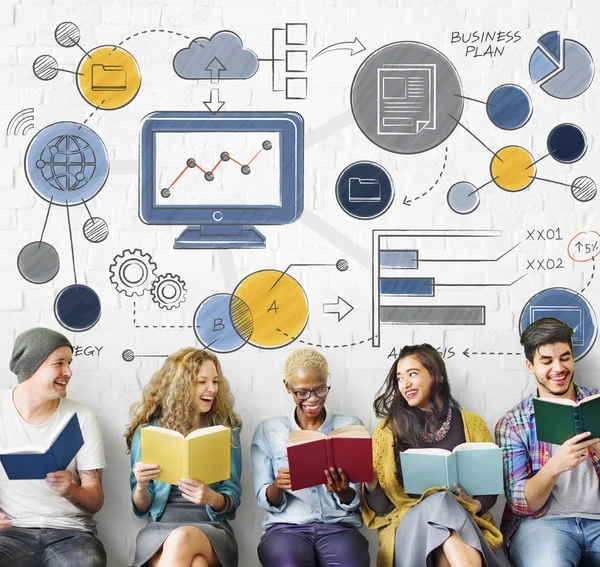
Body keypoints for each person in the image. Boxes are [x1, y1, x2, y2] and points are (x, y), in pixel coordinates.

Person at [362, 344, 505, 567]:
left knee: (444, 545)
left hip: (462, 521)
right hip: (409, 526)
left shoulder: (472, 424)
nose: (405, 384)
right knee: (441, 499)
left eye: (413, 374)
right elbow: (383, 509)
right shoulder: (387, 431)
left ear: (437, 377)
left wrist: (474, 505)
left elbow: (489, 489)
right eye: (400, 378)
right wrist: (371, 483)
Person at [495, 317, 600, 567]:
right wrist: (555, 466)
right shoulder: (513, 423)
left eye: (565, 357)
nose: (558, 368)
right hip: (541, 526)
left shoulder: (597, 403)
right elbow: (521, 504)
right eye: (547, 361)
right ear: (530, 366)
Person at [251, 348, 370, 567]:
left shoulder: (350, 426)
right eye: (303, 392)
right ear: (288, 387)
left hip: (339, 528)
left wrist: (342, 490)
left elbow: (356, 497)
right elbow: (263, 498)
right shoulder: (269, 431)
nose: (313, 399)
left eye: (320, 389)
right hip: (286, 529)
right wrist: (279, 486)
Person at [0, 327, 107, 567]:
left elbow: (96, 499)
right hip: (10, 532)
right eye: (59, 363)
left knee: (87, 563)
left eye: (69, 362)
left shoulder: (81, 418)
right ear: (32, 367)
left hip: (70, 534)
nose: (68, 372)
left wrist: (71, 489)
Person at [125, 347, 242, 567]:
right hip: (160, 530)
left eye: (215, 381)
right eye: (202, 382)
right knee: (197, 564)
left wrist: (211, 498)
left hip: (212, 529)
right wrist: (141, 485)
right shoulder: (149, 432)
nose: (212, 389)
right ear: (181, 386)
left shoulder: (226, 431)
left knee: (183, 538)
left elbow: (232, 499)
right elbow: (141, 509)